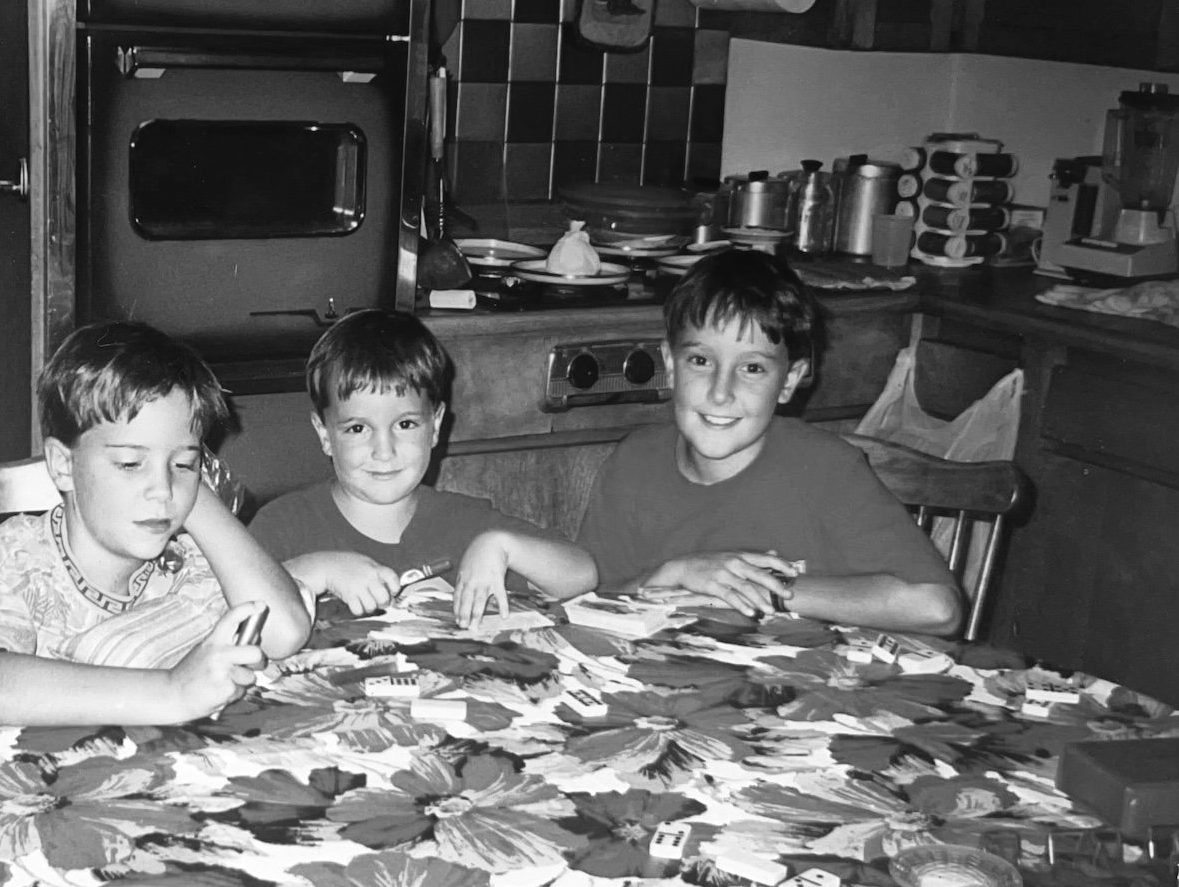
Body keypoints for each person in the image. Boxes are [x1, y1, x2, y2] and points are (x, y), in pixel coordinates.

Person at [0, 320, 312, 887]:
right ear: (62, 465)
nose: (161, 491)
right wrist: (174, 691)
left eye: (185, 462)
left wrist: (195, 500)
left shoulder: (182, 547)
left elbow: (285, 629)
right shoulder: (13, 559)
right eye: (130, 464)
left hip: (73, 786)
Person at [575, 249, 962, 635]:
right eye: (701, 361)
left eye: (752, 368)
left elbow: (936, 607)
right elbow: (582, 603)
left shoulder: (828, 469)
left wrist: (757, 590)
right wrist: (672, 574)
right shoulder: (634, 463)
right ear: (671, 364)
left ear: (789, 381)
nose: (721, 392)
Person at [248, 308, 597, 629]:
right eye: (358, 428)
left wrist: (503, 546)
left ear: (436, 426)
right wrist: (314, 571)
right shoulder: (283, 525)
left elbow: (583, 574)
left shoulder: (468, 524)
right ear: (325, 434)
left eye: (405, 425)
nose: (383, 452)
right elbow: (228, 613)